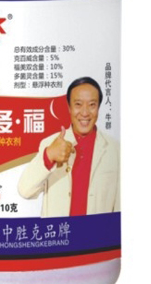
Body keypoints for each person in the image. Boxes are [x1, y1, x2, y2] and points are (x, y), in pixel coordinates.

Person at [18, 77, 120, 217]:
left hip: (97, 231)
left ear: (98, 108)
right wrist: (49, 155)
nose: (85, 113)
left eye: (92, 105)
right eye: (78, 104)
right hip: (59, 230)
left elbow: (120, 208)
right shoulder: (50, 144)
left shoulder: (116, 150)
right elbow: (25, 190)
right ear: (69, 107)